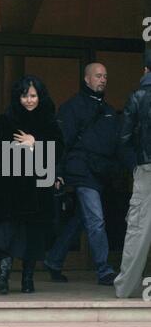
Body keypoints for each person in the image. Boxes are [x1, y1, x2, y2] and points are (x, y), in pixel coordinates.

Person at [44, 63, 119, 286]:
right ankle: (104, 269)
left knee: (82, 220)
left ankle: (54, 259)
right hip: (80, 170)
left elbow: (116, 145)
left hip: (100, 172)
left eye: (105, 76)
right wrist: (56, 173)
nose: (103, 79)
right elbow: (61, 142)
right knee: (95, 218)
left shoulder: (108, 110)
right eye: (98, 76)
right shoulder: (72, 107)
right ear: (86, 79)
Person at [0, 75, 64, 294]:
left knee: (33, 234)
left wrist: (35, 144)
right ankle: (2, 274)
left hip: (37, 188)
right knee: (6, 231)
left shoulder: (49, 122)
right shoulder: (6, 121)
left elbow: (59, 151)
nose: (29, 100)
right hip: (9, 187)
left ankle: (27, 279)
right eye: (24, 96)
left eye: (33, 96)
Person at [114, 51, 151, 298]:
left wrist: (135, 165)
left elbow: (124, 138)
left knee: (138, 230)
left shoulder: (138, 97)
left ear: (145, 70)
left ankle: (125, 288)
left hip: (146, 169)